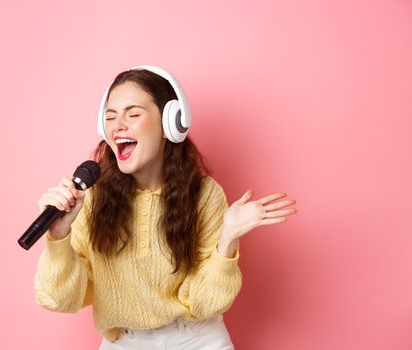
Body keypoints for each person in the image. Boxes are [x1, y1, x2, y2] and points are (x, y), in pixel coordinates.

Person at [33, 65, 297, 349]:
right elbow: (59, 299)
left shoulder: (204, 194)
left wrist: (227, 240)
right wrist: (58, 236)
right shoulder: (90, 197)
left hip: (198, 339)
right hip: (124, 342)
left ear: (170, 123)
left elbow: (205, 303)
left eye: (133, 114)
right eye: (110, 117)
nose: (118, 125)